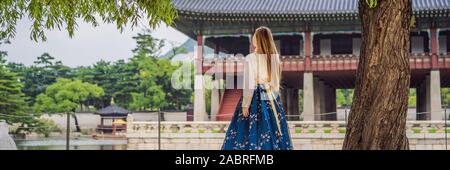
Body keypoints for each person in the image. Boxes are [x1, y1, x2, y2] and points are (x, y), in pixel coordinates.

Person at [222, 26, 293, 150]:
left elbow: (249, 84)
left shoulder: (251, 58)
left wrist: (245, 104)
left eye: (255, 34)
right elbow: (275, 83)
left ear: (259, 39)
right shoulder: (274, 58)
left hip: (254, 98)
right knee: (272, 130)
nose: (253, 37)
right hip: (271, 98)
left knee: (246, 132)